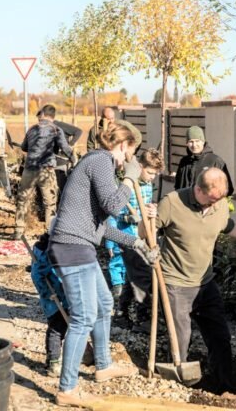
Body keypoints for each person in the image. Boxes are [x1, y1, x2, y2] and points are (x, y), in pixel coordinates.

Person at [47, 122, 159, 407]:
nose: (127, 162)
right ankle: (67, 389)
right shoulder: (100, 161)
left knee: (104, 302)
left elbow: (102, 225)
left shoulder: (99, 163)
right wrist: (128, 180)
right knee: (84, 316)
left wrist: (135, 243)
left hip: (80, 242)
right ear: (123, 145)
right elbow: (113, 205)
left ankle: (103, 365)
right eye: (129, 154)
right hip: (72, 246)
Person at [144, 167, 236, 394]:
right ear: (197, 189)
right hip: (175, 283)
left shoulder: (220, 203)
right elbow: (144, 233)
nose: (215, 205)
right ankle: (177, 390)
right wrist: (147, 220)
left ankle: (226, 387)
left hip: (205, 283)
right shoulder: (172, 203)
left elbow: (229, 227)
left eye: (219, 200)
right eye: (211, 200)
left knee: (220, 337)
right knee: (180, 339)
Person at [104, 148, 164, 332]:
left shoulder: (146, 185)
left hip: (143, 237)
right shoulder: (126, 185)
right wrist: (134, 218)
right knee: (142, 278)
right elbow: (114, 214)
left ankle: (121, 314)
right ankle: (143, 318)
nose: (153, 177)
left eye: (156, 174)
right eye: (150, 172)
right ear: (140, 167)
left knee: (132, 276)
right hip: (128, 237)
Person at [15, 104, 74, 239]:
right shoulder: (56, 130)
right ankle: (49, 231)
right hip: (46, 170)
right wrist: (73, 158)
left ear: (42, 114)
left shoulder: (31, 129)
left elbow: (24, 147)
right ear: (53, 116)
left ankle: (18, 230)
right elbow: (65, 148)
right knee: (50, 202)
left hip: (29, 169)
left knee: (23, 199)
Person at [30, 230, 70, 377]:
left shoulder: (52, 250)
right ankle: (53, 361)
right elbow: (37, 276)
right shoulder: (44, 255)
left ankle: (63, 356)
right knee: (56, 329)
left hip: (64, 296)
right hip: (53, 300)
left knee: (66, 326)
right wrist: (47, 293)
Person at [174, 126, 234, 196]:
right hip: (185, 205)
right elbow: (178, 186)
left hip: (207, 206)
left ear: (203, 142)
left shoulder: (214, 161)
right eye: (191, 142)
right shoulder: (184, 162)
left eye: (197, 141)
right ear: (187, 143)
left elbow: (228, 189)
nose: (194, 145)